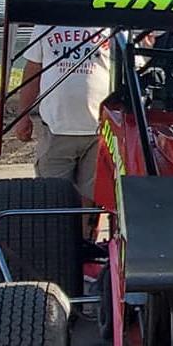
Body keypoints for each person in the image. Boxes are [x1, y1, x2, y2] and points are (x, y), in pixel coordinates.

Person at [15, 25, 113, 239]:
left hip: (100, 130)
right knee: (53, 197)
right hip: (55, 129)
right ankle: (59, 246)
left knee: (93, 196)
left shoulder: (112, 25)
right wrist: (22, 116)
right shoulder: (46, 24)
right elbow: (32, 72)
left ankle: (86, 244)